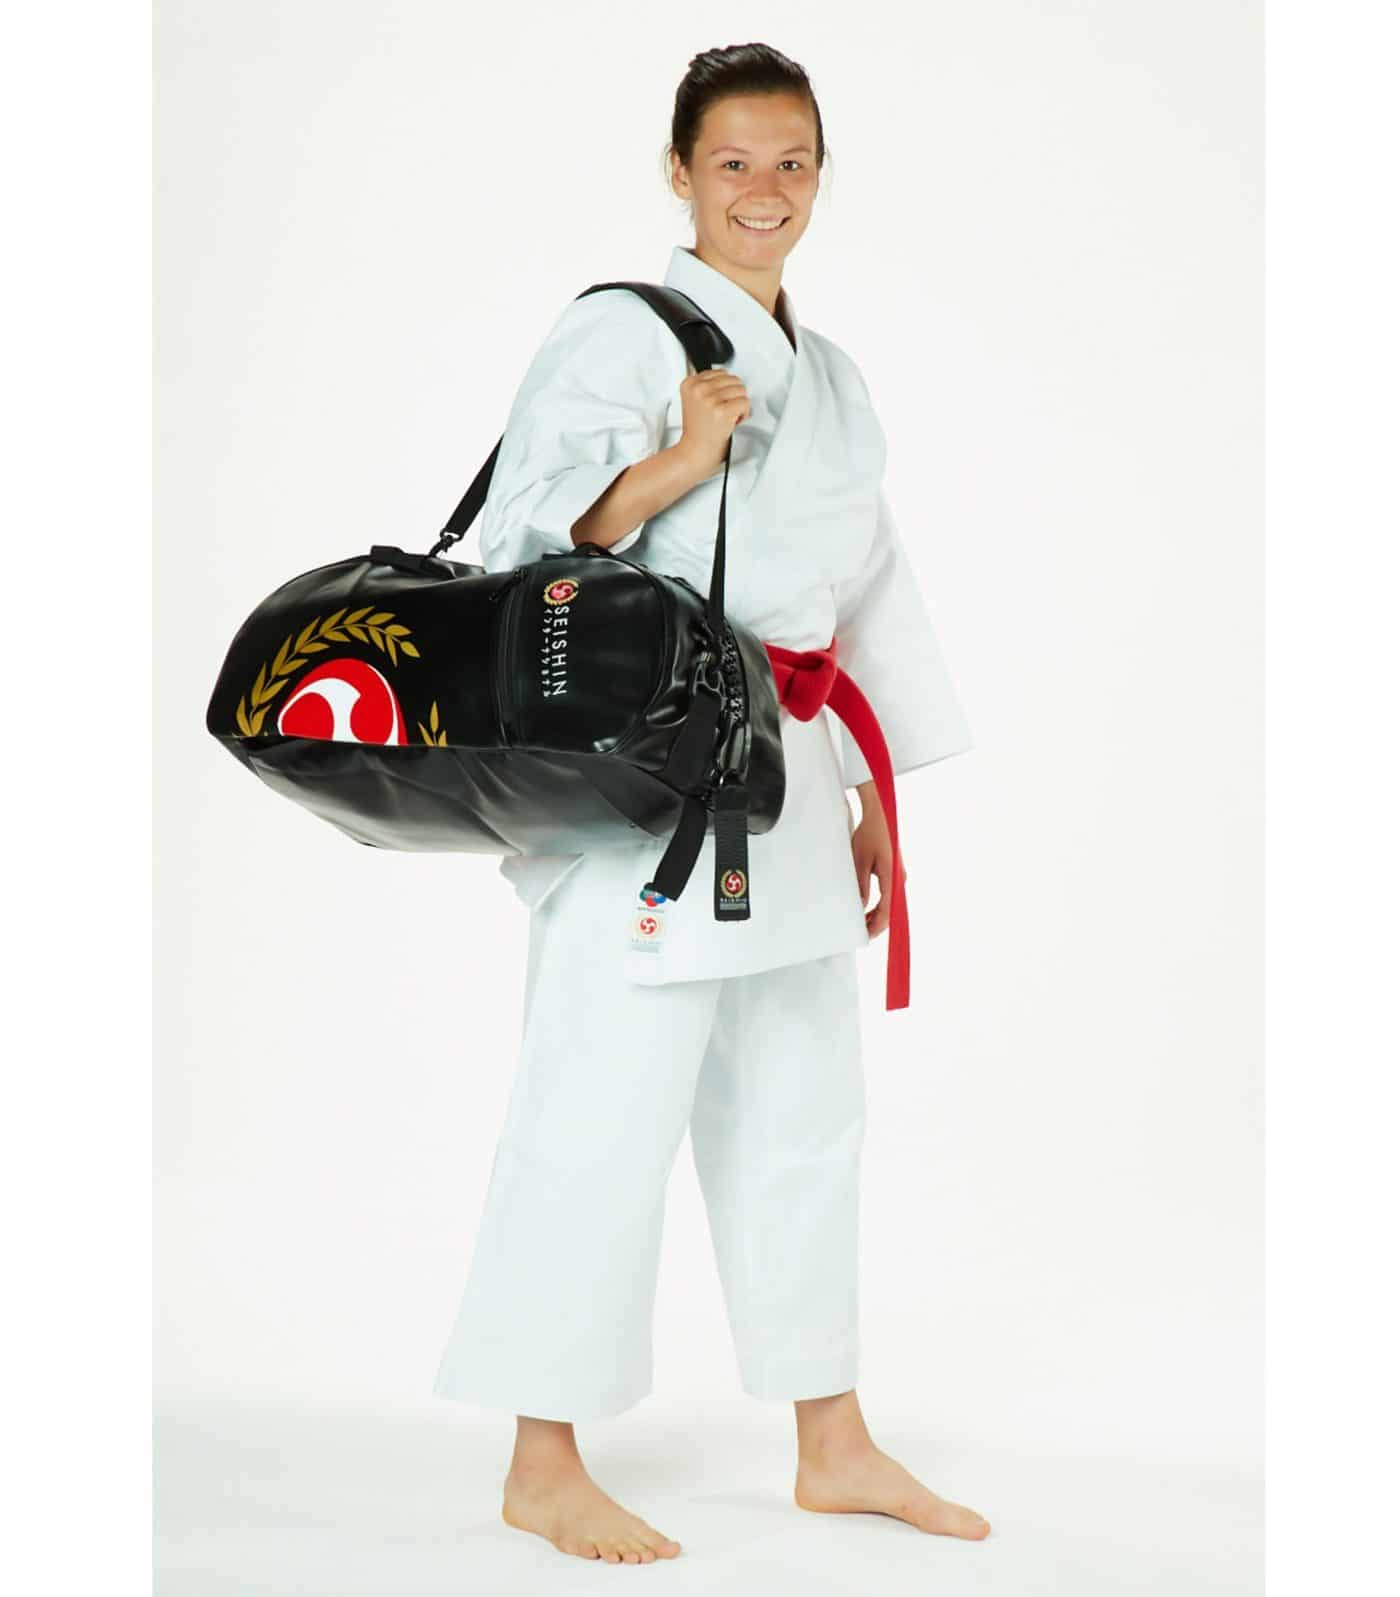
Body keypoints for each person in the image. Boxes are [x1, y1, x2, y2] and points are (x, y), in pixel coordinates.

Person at [432, 43, 989, 1565]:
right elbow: (525, 543)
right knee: (598, 1108)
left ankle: (833, 1440)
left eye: (792, 161)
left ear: (820, 175)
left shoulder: (837, 376)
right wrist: (681, 456)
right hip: (646, 781)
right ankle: (542, 1459)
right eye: (734, 162)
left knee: (806, 1111)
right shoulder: (618, 333)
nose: (765, 189)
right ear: (680, 173)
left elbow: (867, 587)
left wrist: (872, 795)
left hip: (786, 780)